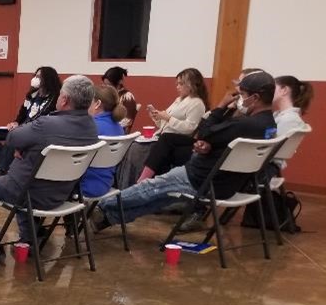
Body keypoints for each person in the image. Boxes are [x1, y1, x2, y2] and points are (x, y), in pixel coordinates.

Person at [91, 71, 279, 229]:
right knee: (159, 199)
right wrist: (210, 146)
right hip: (228, 184)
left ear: (254, 98)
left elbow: (203, 131)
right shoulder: (269, 126)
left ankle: (97, 209)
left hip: (201, 179)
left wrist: (221, 106)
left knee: (150, 189)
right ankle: (107, 218)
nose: (237, 99)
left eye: (241, 95)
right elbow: (225, 144)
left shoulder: (244, 124)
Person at [0, 75, 99, 262]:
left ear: (65, 100)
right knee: (28, 177)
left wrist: (22, 146)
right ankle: (30, 238)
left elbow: (11, 139)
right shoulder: (92, 127)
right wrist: (26, 147)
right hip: (62, 193)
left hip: (27, 191)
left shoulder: (47, 124)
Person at [0, 66, 60, 175]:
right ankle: (9, 165)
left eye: (39, 77)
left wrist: (21, 128)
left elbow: (46, 119)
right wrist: (15, 122)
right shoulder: (32, 94)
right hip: (21, 127)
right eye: (35, 76)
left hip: (34, 130)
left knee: (12, 137)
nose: (35, 79)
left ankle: (1, 170)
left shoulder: (54, 98)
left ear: (47, 79)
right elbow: (22, 114)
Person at [138, 68, 209, 181]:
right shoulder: (178, 100)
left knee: (159, 142)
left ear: (191, 85)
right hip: (166, 136)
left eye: (181, 84)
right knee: (136, 145)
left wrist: (167, 117)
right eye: (177, 84)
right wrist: (156, 116)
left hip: (180, 139)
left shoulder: (197, 103)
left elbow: (190, 128)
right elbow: (165, 123)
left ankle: (143, 179)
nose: (177, 87)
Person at [80, 85, 127, 199]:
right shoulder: (119, 128)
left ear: (97, 104)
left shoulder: (90, 127)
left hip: (82, 186)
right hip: (106, 183)